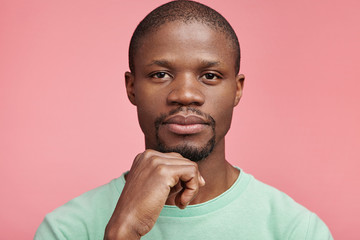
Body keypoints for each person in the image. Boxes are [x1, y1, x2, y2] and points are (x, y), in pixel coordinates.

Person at [35, 1, 333, 239]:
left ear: (237, 90)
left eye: (210, 76)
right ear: (132, 87)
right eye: (160, 75)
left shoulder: (297, 230)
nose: (186, 95)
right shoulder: (65, 230)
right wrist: (122, 233)